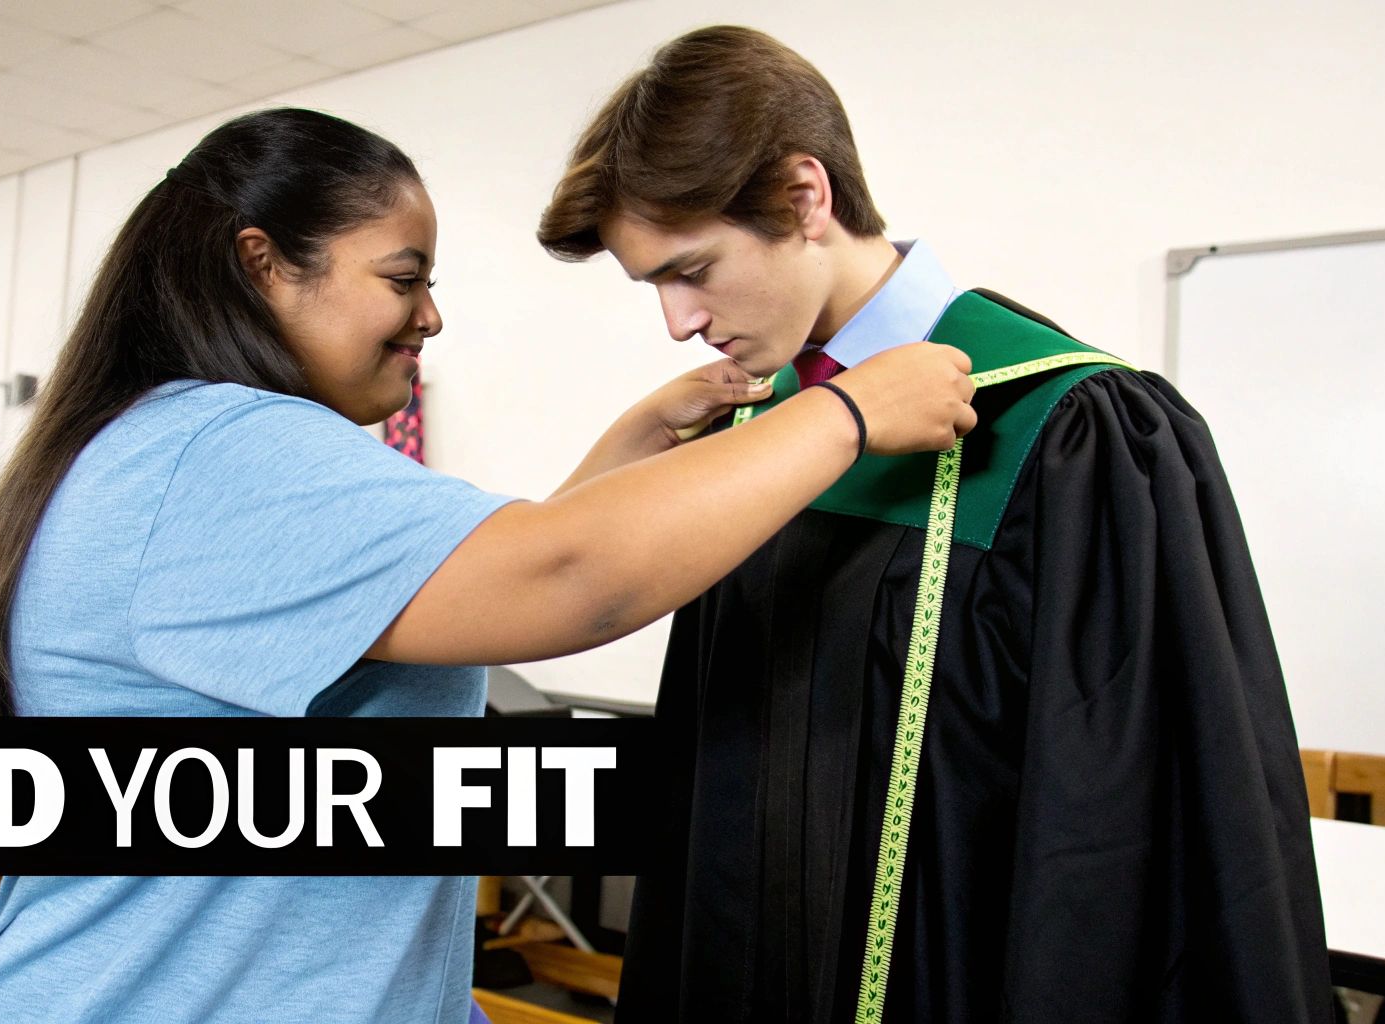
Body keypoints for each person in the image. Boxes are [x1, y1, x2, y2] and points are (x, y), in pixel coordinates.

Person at [0, 108, 976, 1024]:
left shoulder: (164, 447)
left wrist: (641, 436)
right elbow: (566, 579)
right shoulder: (223, 453)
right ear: (261, 266)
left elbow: (469, 586)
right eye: (401, 278)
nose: (430, 314)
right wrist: (844, 414)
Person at [538, 26, 1330, 1024]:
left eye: (691, 267)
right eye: (651, 282)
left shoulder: (1073, 430)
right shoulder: (753, 430)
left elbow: (1115, 839)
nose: (676, 320)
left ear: (804, 196)